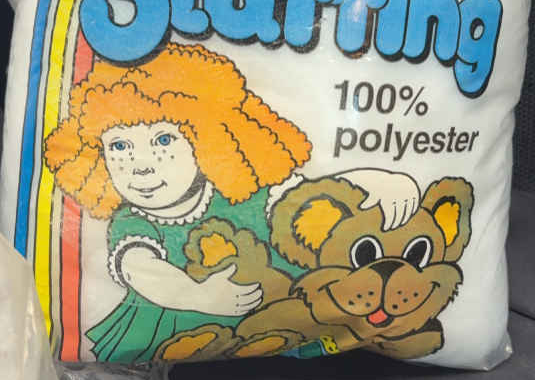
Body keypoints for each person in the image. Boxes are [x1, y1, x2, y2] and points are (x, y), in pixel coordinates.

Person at [44, 41, 419, 363]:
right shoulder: (133, 222)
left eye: (163, 140)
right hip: (165, 327)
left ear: (209, 137)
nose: (140, 165)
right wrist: (195, 294)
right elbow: (139, 268)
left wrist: (374, 182)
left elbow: (309, 197)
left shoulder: (241, 193)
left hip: (263, 324)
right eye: (119, 145)